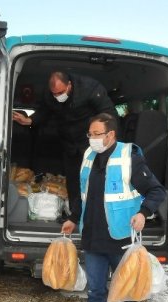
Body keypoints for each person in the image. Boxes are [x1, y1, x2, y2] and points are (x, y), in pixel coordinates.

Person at [61, 113, 166, 302]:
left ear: (110, 135)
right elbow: (82, 194)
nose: (92, 139)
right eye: (90, 134)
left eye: (96, 134)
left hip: (121, 238)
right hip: (93, 237)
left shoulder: (130, 157)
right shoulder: (88, 156)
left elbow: (156, 190)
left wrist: (144, 213)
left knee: (126, 287)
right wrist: (74, 219)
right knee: (96, 291)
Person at [12, 72, 116, 219]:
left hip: (90, 139)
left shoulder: (90, 88)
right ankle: (74, 215)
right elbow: (44, 111)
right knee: (73, 180)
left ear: (69, 85)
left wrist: (108, 139)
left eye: (61, 92)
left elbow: (109, 113)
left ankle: (97, 216)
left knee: (93, 179)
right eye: (54, 94)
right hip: (69, 141)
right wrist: (30, 121)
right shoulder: (50, 95)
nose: (57, 96)